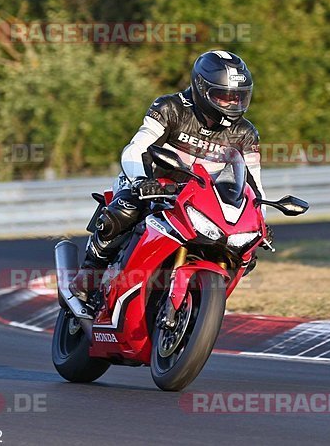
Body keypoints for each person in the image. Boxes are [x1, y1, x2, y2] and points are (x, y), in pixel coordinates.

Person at [70, 50, 269, 302]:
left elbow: (254, 185)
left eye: (239, 98)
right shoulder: (170, 107)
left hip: (201, 199)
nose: (232, 105)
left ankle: (198, 302)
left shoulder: (246, 133)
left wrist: (259, 220)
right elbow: (137, 148)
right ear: (201, 88)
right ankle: (90, 274)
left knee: (243, 252)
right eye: (224, 96)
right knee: (126, 209)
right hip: (153, 183)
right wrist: (141, 181)